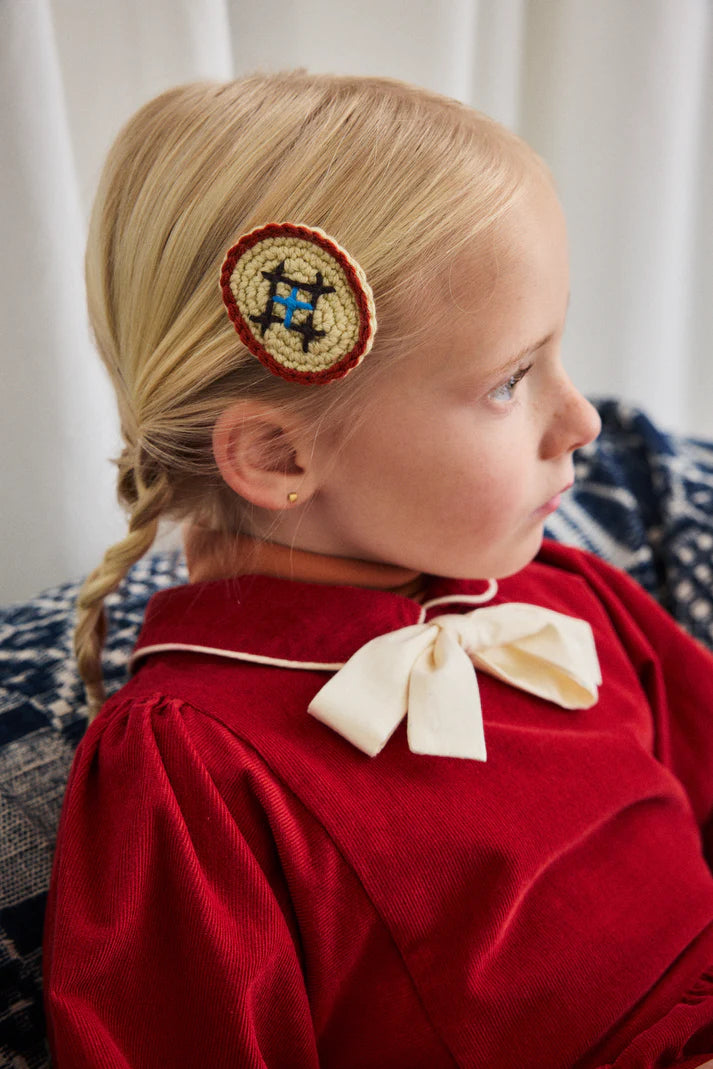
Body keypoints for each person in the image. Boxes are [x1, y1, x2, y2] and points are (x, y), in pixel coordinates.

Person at [43, 71, 713, 1069]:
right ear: (277, 455)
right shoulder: (197, 771)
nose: (580, 421)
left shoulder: (562, 597)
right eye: (510, 380)